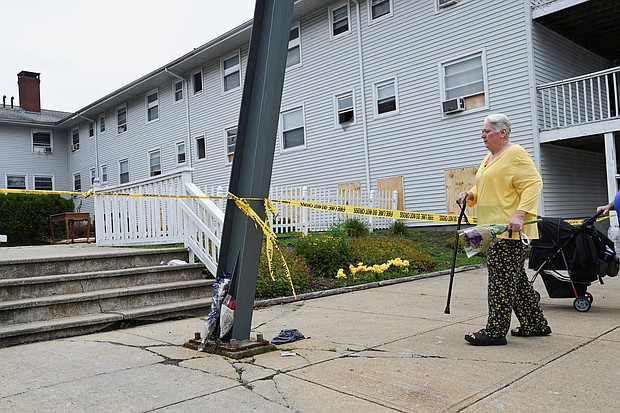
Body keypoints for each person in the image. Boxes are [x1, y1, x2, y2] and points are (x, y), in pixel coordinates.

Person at [457, 113, 551, 346]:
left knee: (500, 280)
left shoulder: (515, 153)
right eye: (482, 131)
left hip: (509, 231)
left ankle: (495, 331)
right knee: (515, 279)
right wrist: (470, 195)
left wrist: (520, 214)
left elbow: (534, 183)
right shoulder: (489, 157)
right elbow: (481, 186)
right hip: (489, 230)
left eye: (486, 131)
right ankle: (535, 324)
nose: (482, 135)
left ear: (503, 132)